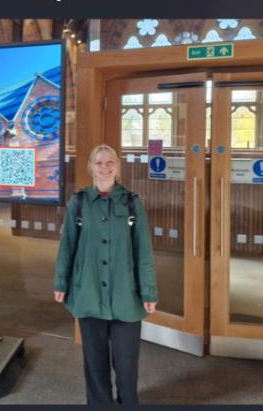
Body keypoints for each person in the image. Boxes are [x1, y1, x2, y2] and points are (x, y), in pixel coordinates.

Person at [54, 143, 158, 405]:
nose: (105, 167)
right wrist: (61, 282)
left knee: (126, 360)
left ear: (118, 166)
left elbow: (143, 250)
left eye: (110, 161)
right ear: (91, 167)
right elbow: (67, 245)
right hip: (88, 291)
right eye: (99, 162)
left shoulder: (133, 203)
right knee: (94, 358)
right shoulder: (78, 202)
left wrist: (148, 291)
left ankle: (127, 403)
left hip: (126, 294)